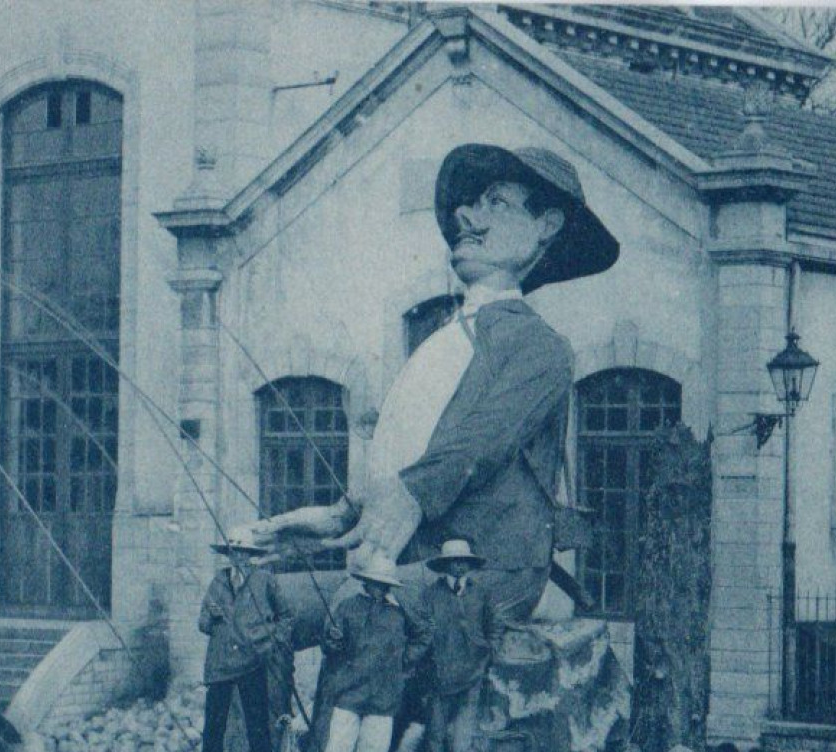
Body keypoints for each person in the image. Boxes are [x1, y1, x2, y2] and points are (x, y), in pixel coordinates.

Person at [247, 144, 618, 611]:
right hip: (413, 564)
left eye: (496, 203)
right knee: (254, 600)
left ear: (547, 225)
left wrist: (406, 499)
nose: (466, 217)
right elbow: (415, 455)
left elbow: (475, 446)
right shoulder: (448, 336)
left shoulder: (539, 345)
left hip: (478, 574)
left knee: (330, 618)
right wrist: (339, 517)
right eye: (471, 203)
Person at [313, 554, 428, 752]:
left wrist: (404, 661)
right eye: (375, 582)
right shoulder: (347, 607)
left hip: (384, 695)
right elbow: (330, 645)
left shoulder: (399, 613)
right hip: (348, 691)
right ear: (366, 582)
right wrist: (333, 640)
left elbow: (423, 635)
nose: (379, 588)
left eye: (384, 584)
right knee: (337, 749)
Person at [197, 528, 291, 752]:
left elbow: (286, 616)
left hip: (252, 660)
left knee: (257, 722)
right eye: (234, 552)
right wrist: (212, 617)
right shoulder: (218, 581)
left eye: (244, 553)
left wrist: (271, 642)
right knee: (214, 725)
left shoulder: (264, 581)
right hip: (219, 663)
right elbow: (201, 623)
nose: (238, 557)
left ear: (251, 555)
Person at [412, 538, 508, 752]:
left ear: (469, 564)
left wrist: (490, 649)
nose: (459, 566)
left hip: (472, 676)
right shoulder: (430, 595)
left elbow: (495, 625)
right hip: (439, 678)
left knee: (462, 738)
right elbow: (420, 631)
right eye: (453, 561)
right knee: (435, 735)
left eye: (463, 561)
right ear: (445, 566)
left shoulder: (481, 593)